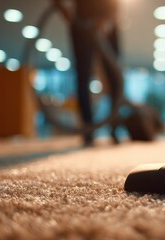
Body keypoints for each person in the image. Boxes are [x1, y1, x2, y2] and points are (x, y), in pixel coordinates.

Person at [52, 0, 121, 146]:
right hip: (81, 22)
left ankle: (114, 127)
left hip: (108, 21)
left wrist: (110, 19)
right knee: (83, 77)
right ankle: (88, 129)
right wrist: (66, 13)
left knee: (115, 76)